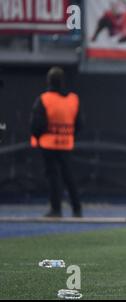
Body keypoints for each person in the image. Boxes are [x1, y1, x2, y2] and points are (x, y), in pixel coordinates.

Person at [30, 67, 83, 218]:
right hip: (66, 143)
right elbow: (79, 124)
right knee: (68, 176)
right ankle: (77, 209)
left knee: (53, 177)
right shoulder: (73, 99)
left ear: (49, 81)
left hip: (48, 144)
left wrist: (38, 137)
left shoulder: (44, 99)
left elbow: (36, 124)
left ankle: (56, 209)